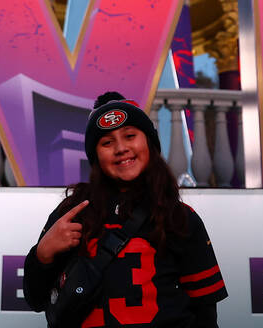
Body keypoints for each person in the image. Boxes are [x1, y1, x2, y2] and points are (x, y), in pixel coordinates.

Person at [24, 92, 227, 327]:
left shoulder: (180, 218)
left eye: (130, 136)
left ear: (149, 143)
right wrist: (43, 255)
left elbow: (206, 315)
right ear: (95, 156)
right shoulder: (72, 212)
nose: (121, 148)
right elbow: (36, 300)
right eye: (107, 142)